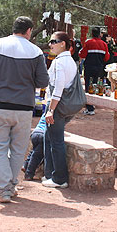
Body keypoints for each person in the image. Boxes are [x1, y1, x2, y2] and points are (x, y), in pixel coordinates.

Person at [0, 16, 50, 203]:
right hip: (24, 108)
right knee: (18, 149)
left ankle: (4, 189)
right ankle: (12, 185)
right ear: (29, 31)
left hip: (0, 106)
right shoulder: (36, 52)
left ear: (13, 28)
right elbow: (43, 81)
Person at [42, 31, 78, 188]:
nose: (50, 45)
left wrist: (51, 110)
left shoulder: (60, 62)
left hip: (56, 106)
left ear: (63, 43)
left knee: (56, 142)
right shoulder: (69, 61)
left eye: (53, 41)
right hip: (63, 106)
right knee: (48, 137)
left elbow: (58, 88)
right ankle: (50, 173)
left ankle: (59, 178)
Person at [79, 27, 109, 115]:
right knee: (96, 85)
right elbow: (106, 57)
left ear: (92, 34)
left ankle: (90, 108)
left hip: (89, 67)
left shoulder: (88, 42)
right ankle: (93, 105)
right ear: (100, 34)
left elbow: (82, 54)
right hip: (99, 68)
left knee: (89, 86)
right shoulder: (104, 44)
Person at [23, 114, 47, 181]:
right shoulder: (54, 114)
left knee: (34, 151)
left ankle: (25, 165)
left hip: (35, 133)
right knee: (36, 156)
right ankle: (29, 174)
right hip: (42, 135)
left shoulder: (44, 113)